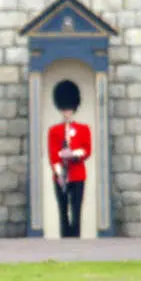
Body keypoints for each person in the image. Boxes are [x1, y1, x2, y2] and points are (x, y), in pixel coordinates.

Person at [47, 80, 91, 238]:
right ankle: (65, 239)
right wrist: (59, 174)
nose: (67, 112)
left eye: (69, 109)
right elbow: (53, 154)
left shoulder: (83, 129)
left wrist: (74, 154)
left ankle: (76, 238)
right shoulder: (54, 130)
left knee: (76, 210)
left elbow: (87, 150)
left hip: (77, 174)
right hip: (61, 176)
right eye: (65, 109)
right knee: (63, 210)